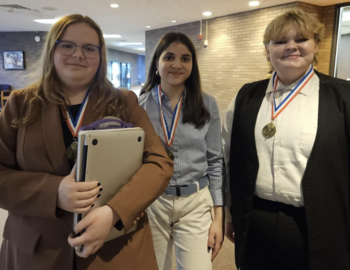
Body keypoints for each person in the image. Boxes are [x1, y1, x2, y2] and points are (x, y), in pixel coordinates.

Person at [0, 14, 173, 270]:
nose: (78, 54)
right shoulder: (20, 104)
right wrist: (54, 192)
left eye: (89, 48)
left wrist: (114, 211)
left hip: (114, 248)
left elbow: (159, 163)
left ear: (100, 56)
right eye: (67, 45)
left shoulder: (124, 103)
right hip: (38, 251)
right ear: (52, 49)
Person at [222, 9, 350, 270]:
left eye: (301, 39)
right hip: (254, 220)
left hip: (317, 225)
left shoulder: (343, 97)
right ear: (267, 50)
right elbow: (229, 157)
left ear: (316, 44)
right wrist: (229, 212)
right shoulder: (247, 96)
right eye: (280, 41)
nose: (291, 47)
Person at [139, 32, 224, 270]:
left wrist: (218, 217)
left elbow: (215, 161)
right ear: (157, 63)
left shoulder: (207, 104)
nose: (177, 64)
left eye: (185, 59)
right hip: (153, 201)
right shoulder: (139, 106)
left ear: (192, 66)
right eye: (169, 57)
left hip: (195, 201)